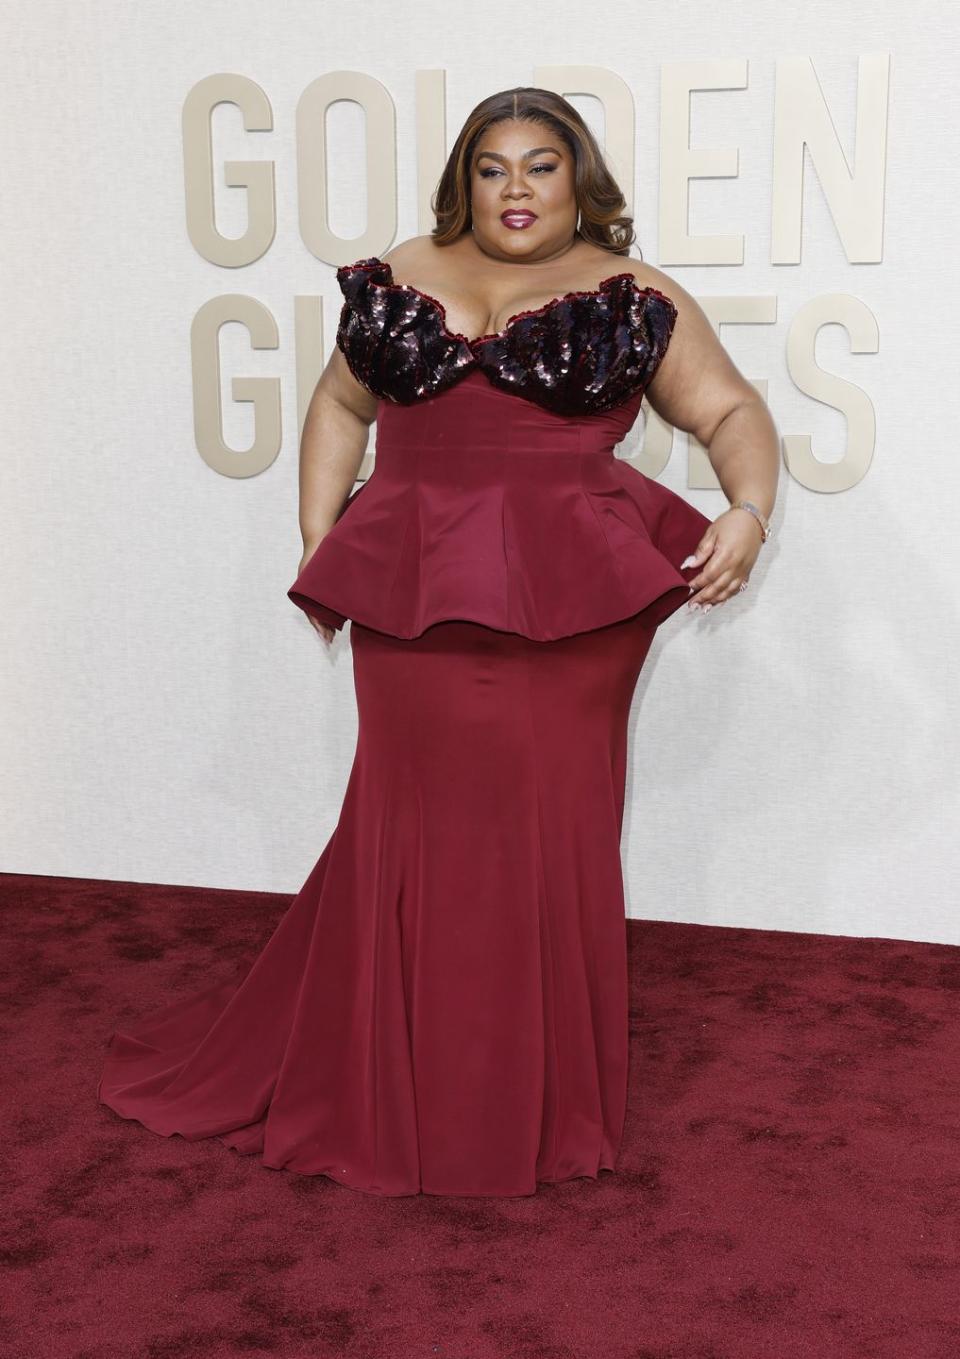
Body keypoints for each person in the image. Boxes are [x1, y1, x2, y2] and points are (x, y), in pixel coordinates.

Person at [98, 87, 779, 1198]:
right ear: (465, 179)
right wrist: (326, 534)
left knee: (549, 830)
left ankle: (531, 1102)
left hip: (576, 606)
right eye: (494, 167)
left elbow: (734, 414)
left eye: (542, 166)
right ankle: (391, 1085)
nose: (517, 189)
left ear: (579, 180)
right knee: (406, 824)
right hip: (413, 594)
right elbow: (337, 406)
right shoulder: (398, 273)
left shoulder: (635, 293)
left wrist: (745, 512)